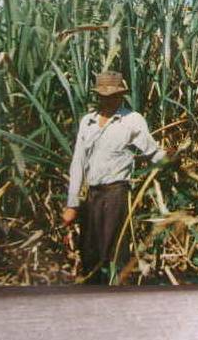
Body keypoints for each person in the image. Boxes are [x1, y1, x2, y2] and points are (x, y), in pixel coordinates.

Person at [62, 71, 175, 284]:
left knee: (113, 251)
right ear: (98, 96)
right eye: (104, 96)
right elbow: (77, 163)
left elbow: (152, 152)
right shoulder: (88, 122)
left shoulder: (132, 120)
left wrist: (169, 159)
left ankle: (117, 292)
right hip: (91, 194)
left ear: (121, 95)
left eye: (113, 95)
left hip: (116, 194)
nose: (109, 99)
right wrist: (72, 205)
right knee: (89, 252)